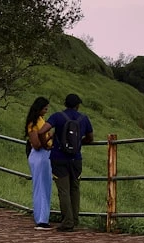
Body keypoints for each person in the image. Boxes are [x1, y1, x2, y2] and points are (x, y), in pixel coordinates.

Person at [43, 93, 94, 232]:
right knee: (75, 189)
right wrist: (78, 143)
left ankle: (67, 221)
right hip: (76, 159)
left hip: (59, 157)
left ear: (65, 104)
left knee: (63, 190)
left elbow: (43, 130)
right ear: (78, 105)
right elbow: (90, 138)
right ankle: (75, 219)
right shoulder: (84, 118)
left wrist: (46, 141)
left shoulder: (57, 116)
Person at [24, 96, 54, 230]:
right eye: (44, 108)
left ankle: (43, 217)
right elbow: (36, 144)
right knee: (41, 187)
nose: (46, 110)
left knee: (45, 187)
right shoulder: (33, 123)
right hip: (39, 155)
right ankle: (41, 219)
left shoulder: (41, 120)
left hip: (45, 155)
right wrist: (47, 143)